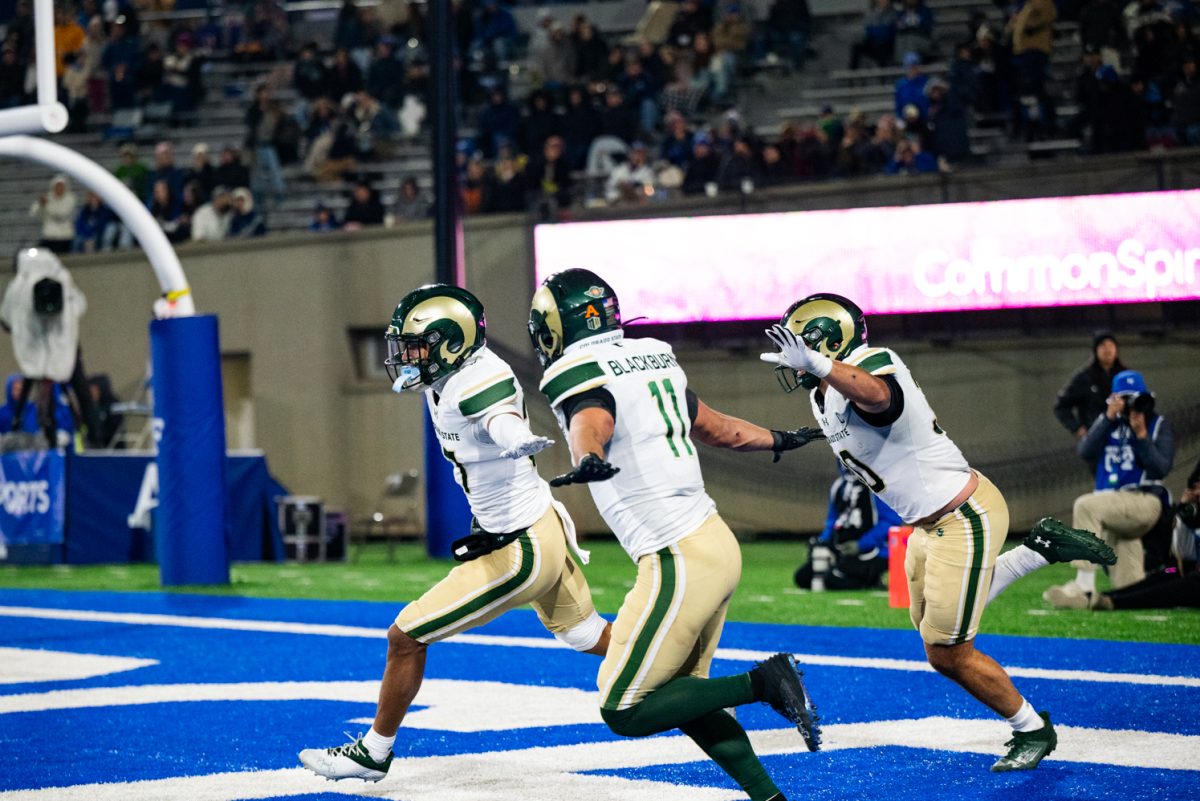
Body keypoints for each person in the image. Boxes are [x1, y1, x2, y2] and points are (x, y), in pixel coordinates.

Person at [759, 293, 1117, 772]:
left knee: (948, 653)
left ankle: (1032, 728)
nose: (793, 359)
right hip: (926, 526)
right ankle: (1038, 549)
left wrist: (821, 366)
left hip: (962, 515)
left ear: (830, 343)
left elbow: (880, 398)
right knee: (931, 627)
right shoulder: (821, 391)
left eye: (802, 346)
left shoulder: (870, 363)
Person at [528, 268, 827, 801]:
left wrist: (588, 456)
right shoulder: (652, 353)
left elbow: (591, 415)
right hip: (713, 543)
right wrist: (778, 437)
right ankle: (770, 798)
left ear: (556, 325)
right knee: (685, 696)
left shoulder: (575, 368)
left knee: (624, 707)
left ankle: (765, 683)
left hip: (677, 556)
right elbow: (715, 427)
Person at [300, 284, 608, 781]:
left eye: (416, 347)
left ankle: (374, 752)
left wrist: (516, 438)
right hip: (533, 527)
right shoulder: (447, 376)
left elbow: (499, 414)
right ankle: (687, 673)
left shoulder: (474, 379)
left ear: (451, 345)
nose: (405, 358)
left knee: (405, 636)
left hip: (522, 546)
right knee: (587, 635)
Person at [1045, 369, 1175, 605]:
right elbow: (1085, 451)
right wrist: (1107, 417)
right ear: (1113, 399)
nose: (1129, 404)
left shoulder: (1157, 424)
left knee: (1085, 505)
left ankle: (1083, 585)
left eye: (1134, 398)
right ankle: (1108, 599)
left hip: (1144, 500)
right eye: (1123, 398)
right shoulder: (1107, 423)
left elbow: (1161, 468)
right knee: (1130, 588)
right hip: (1113, 508)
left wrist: (1142, 435)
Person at [1056, 458, 1200, 610]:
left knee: (1191, 581)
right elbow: (1184, 557)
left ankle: (1114, 603)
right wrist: (1185, 515)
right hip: (1187, 572)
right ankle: (1102, 596)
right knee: (1169, 573)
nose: (1196, 492)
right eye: (1195, 488)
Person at [0, 249, 88, 447]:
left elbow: (79, 305)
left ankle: (90, 436)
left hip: (63, 352)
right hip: (35, 351)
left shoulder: (61, 281)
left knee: (80, 393)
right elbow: (6, 319)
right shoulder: (20, 288)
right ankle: (26, 433)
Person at [795, 465, 900, 590]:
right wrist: (823, 542)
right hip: (843, 550)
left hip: (875, 551)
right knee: (803, 577)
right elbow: (832, 521)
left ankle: (873, 579)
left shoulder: (877, 485)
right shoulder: (839, 485)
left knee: (833, 580)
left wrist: (860, 545)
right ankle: (854, 573)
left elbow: (890, 522)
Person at [1053, 331, 1126, 446]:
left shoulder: (1126, 376)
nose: (1107, 350)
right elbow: (1061, 406)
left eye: (1111, 345)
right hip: (1096, 439)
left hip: (1124, 437)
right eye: (1103, 346)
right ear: (1095, 350)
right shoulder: (1084, 377)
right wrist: (1077, 429)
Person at [30, 176, 78, 255]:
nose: (59, 189)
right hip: (48, 237)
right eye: (57, 186)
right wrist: (40, 205)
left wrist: (47, 205)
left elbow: (61, 214)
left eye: (61, 187)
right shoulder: (49, 197)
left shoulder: (70, 198)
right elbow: (34, 212)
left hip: (64, 238)